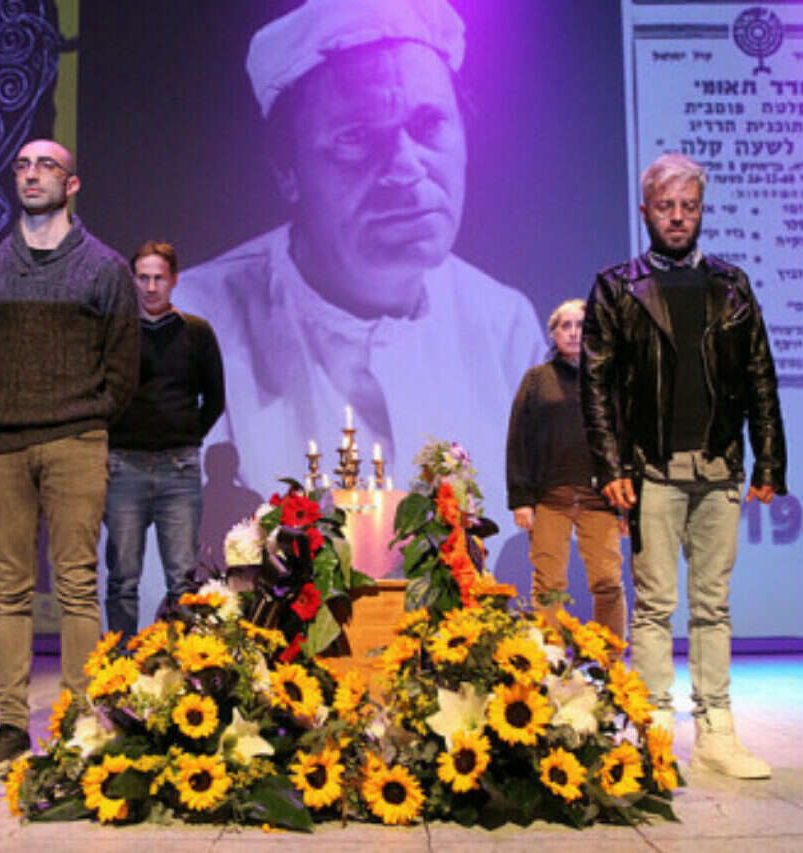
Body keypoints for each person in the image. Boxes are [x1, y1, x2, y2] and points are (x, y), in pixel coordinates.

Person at [176, 0, 543, 539]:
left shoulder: (504, 328)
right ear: (287, 169)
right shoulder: (195, 326)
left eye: (428, 124)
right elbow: (161, 568)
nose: (405, 168)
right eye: (354, 138)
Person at [580, 152, 786, 779]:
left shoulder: (732, 284)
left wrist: (770, 458)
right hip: (652, 469)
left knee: (712, 605)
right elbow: (596, 385)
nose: (677, 217)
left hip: (720, 467)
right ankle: (650, 732)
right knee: (653, 605)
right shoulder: (618, 287)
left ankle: (717, 730)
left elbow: (759, 374)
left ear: (701, 212)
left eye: (688, 207)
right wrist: (609, 464)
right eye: (667, 207)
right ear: (646, 211)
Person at [0, 139, 139, 772]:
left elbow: (123, 369)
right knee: (9, 587)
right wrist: (9, 407)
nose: (32, 175)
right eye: (22, 166)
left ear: (72, 183)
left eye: (47, 166)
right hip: (0, 442)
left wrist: (84, 416)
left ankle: (78, 722)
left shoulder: (105, 269)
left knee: (77, 584)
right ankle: (11, 725)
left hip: (73, 439)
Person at [104, 241, 224, 632]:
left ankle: (182, 661)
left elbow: (215, 399)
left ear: (174, 280)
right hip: (124, 465)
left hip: (179, 467)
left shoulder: (197, 332)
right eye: (143, 278)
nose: (151, 287)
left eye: (159, 278)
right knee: (123, 577)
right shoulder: (116, 333)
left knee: (182, 580)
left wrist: (187, 437)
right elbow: (101, 394)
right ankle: (119, 658)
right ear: (133, 280)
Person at [506, 299, 626, 639]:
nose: (574, 333)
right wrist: (521, 499)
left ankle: (611, 660)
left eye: (582, 326)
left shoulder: (609, 379)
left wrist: (628, 506)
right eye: (565, 326)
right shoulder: (537, 380)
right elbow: (519, 440)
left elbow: (625, 439)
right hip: (550, 499)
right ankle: (551, 659)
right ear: (554, 334)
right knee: (548, 584)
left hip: (601, 498)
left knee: (607, 581)